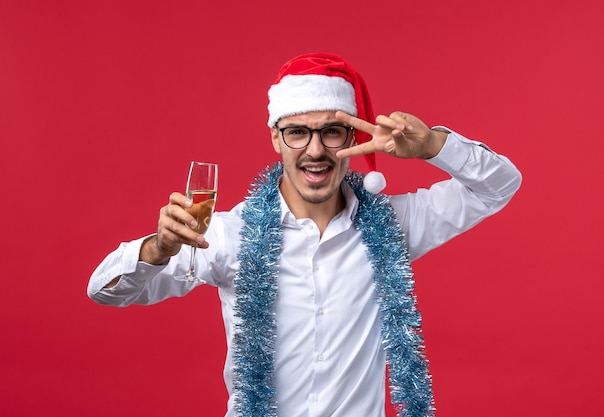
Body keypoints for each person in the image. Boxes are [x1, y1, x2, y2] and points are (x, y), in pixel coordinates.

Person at [88, 52, 522, 417]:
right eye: (297, 132)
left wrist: (432, 146)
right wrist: (159, 248)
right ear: (276, 139)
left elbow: (499, 185)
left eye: (331, 132)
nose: (315, 151)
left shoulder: (394, 226)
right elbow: (105, 292)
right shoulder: (228, 234)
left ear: (353, 137)